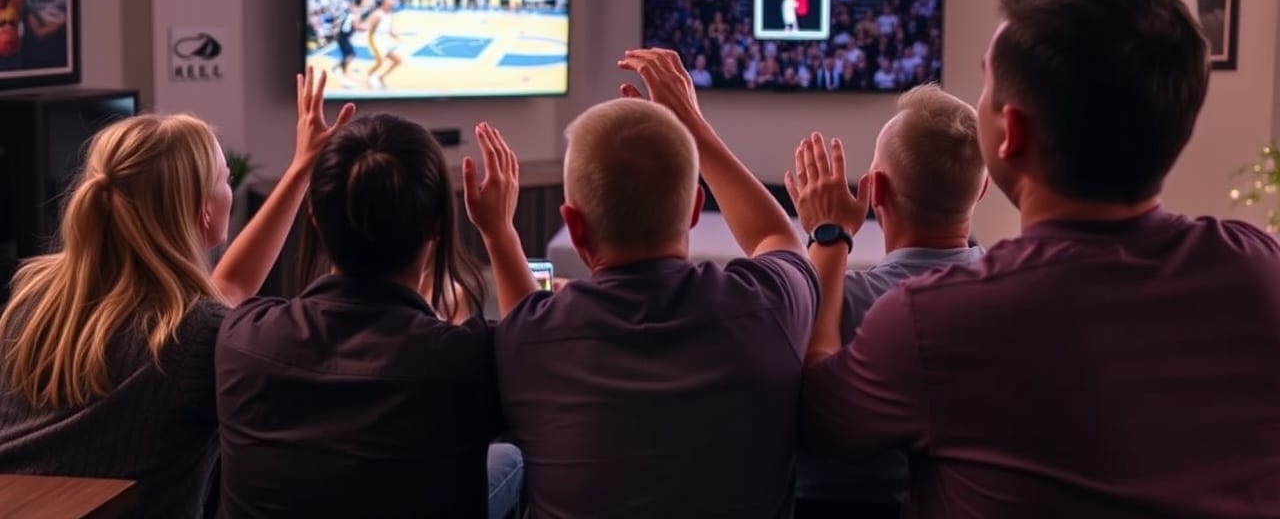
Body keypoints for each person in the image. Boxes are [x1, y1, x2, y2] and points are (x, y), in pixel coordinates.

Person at [800, 0, 1280, 518]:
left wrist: (828, 239)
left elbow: (819, 425)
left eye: (985, 83)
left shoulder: (935, 318)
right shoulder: (1258, 267)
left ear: (1012, 135)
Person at [0, 67, 352, 518]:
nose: (230, 186)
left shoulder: (37, 292)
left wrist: (301, 167)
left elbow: (230, 289)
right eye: (226, 178)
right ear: (204, 212)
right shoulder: (197, 336)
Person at [494, 47, 819, 517]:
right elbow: (776, 235)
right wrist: (694, 126)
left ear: (573, 224)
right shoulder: (769, 307)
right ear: (693, 210)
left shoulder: (529, 337)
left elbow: (521, 322)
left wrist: (500, 233)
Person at [215, 115, 528, 519]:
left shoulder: (241, 339)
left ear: (314, 216)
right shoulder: (471, 360)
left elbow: (225, 289)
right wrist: (500, 232)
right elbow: (535, 355)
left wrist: (299, 169)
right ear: (437, 226)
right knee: (510, 458)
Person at [785, 85, 987, 519]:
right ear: (983, 186)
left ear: (874, 190)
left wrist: (828, 235)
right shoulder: (1007, 291)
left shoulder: (841, 298)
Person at [364, 0, 402, 89]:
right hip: (376, 41)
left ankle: (381, 77)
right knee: (380, 62)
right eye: (389, 0)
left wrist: (395, 36)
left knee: (398, 61)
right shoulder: (377, 14)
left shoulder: (389, 14)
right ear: (383, 2)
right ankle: (369, 76)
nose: (392, 1)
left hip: (385, 42)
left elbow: (390, 30)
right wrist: (372, 44)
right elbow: (370, 32)